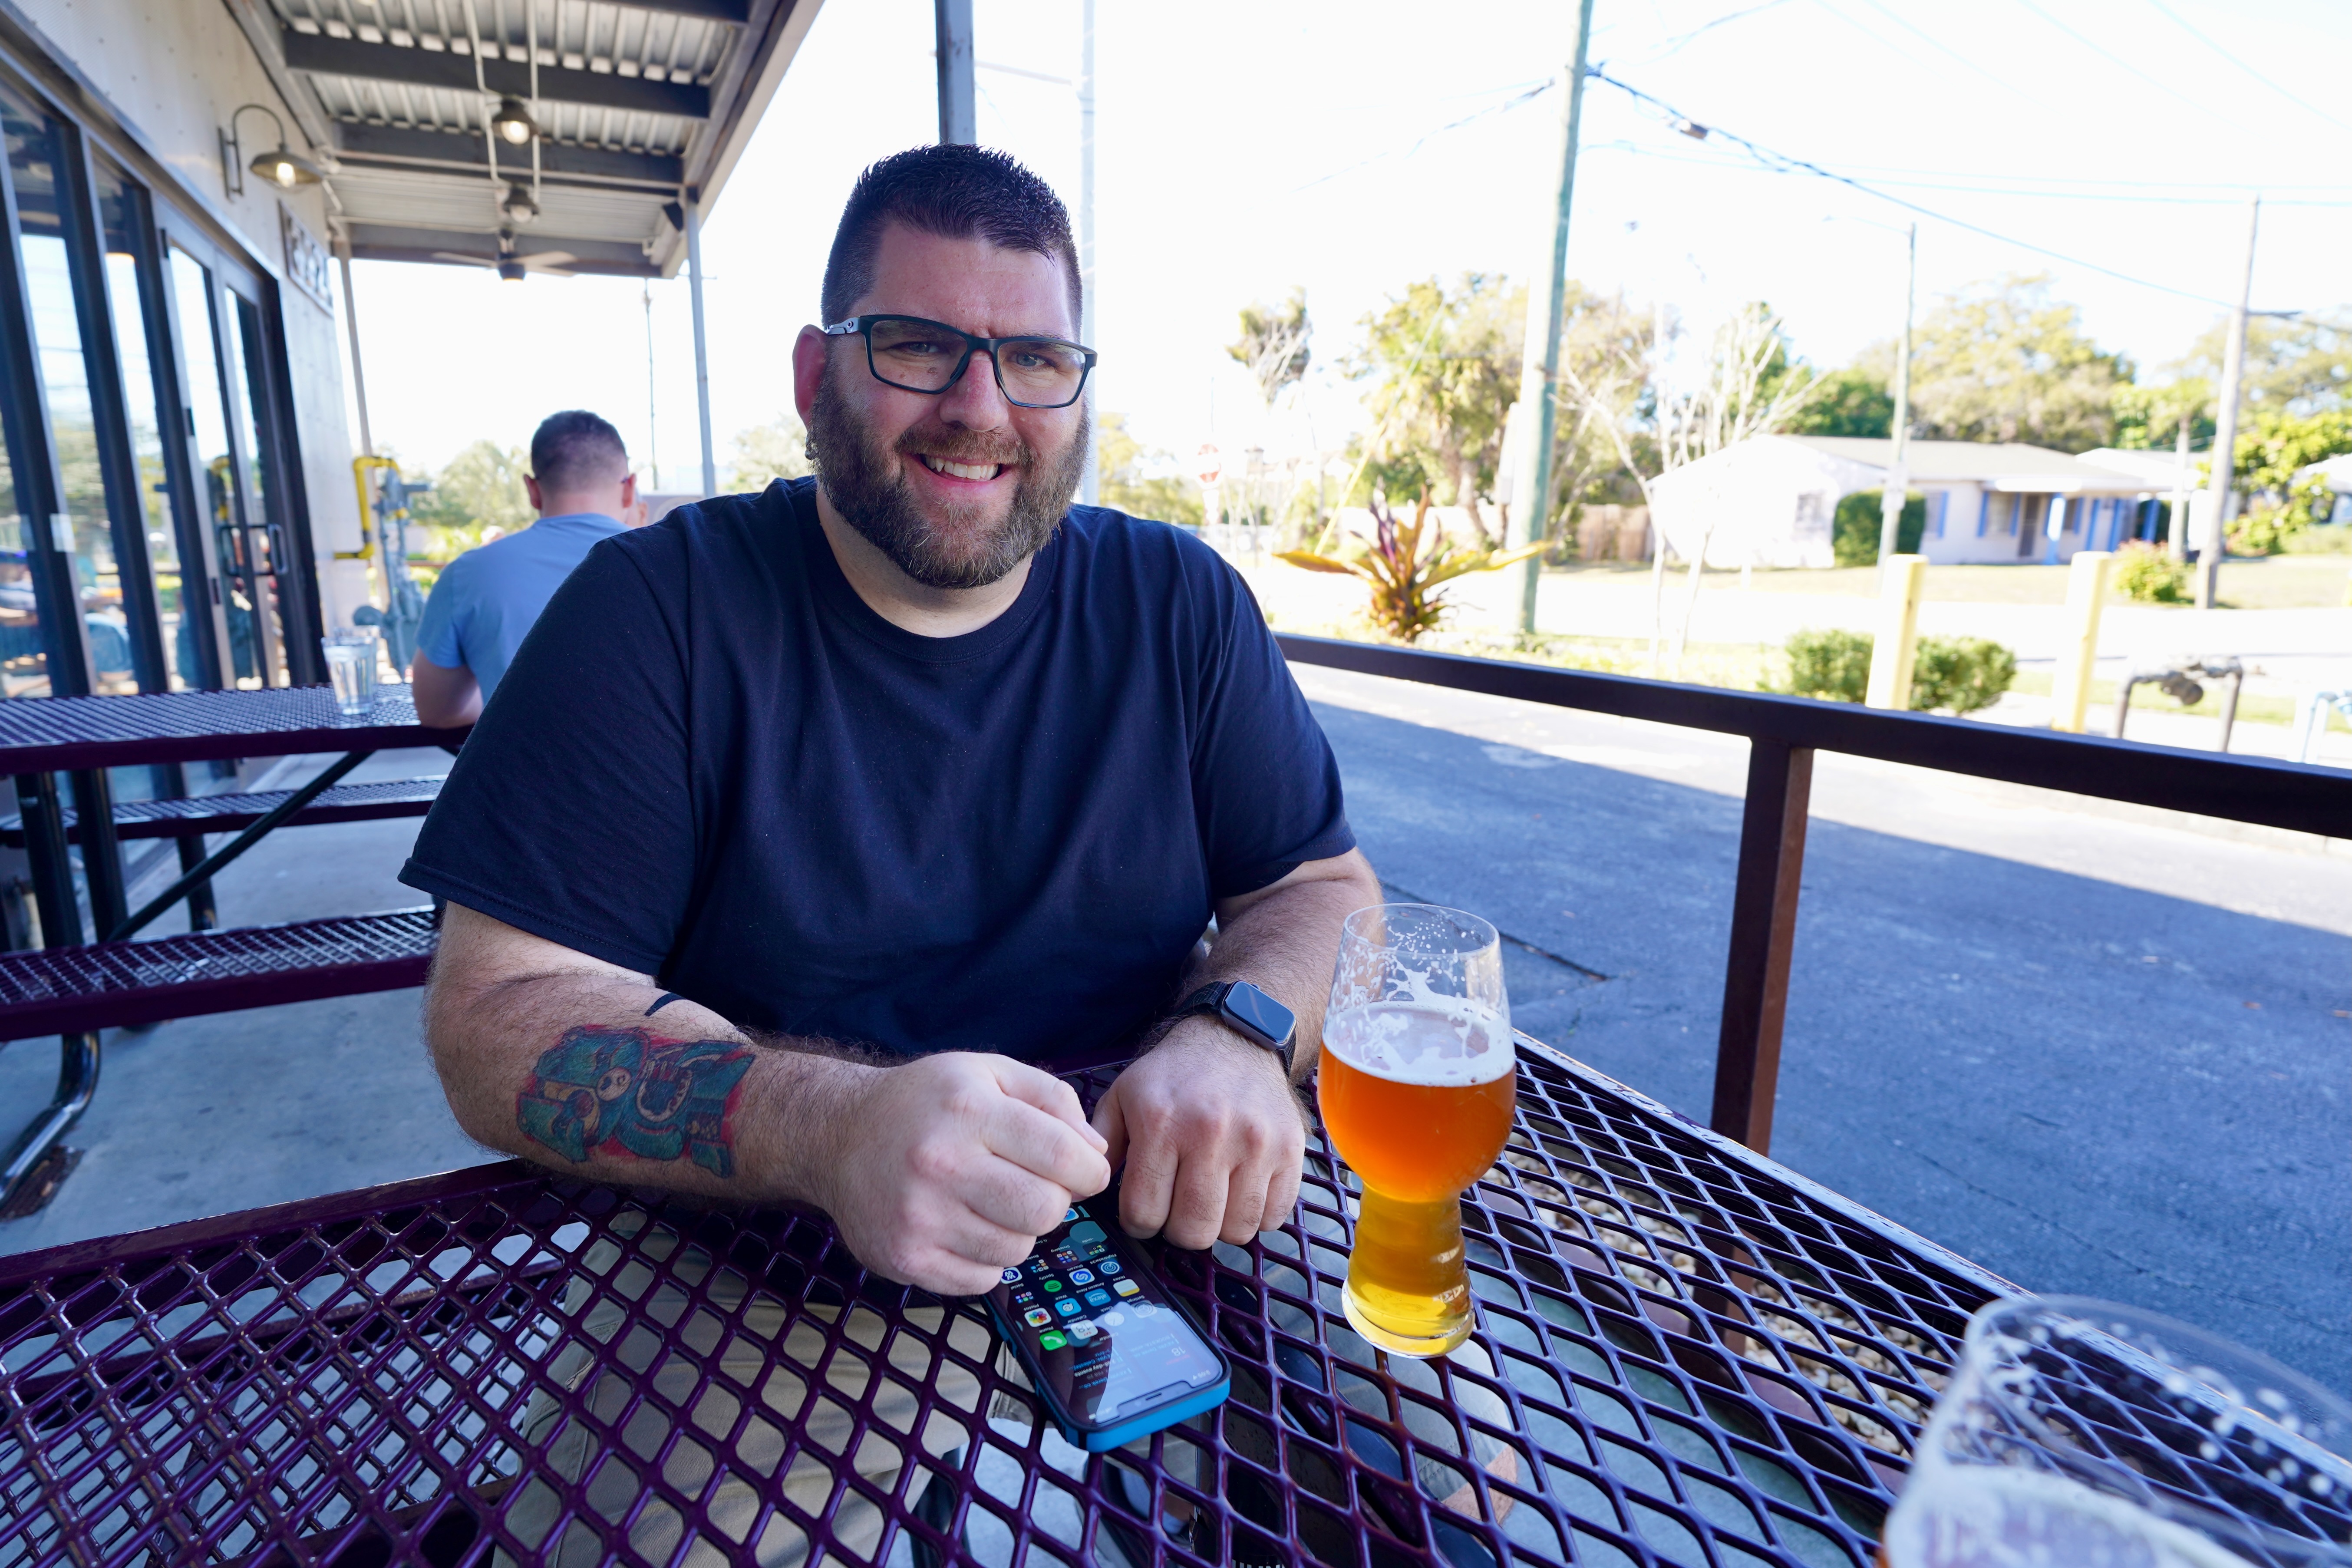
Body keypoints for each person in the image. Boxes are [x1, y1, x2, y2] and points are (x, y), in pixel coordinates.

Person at [401, 144, 1381, 1298]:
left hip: (1164, 1216)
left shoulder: (1178, 599)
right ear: (815, 375)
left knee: (1441, 1415)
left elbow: (1322, 890)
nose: (980, 409)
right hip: (765, 1258)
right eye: (917, 346)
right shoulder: (656, 608)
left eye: (1035, 359)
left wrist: (1235, 1032)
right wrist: (831, 1126)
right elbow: (494, 1014)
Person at [408, 410, 643, 726]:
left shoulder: (467, 575)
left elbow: (437, 711)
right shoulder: (676, 566)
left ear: (532, 490)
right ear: (629, 489)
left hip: (521, 758)